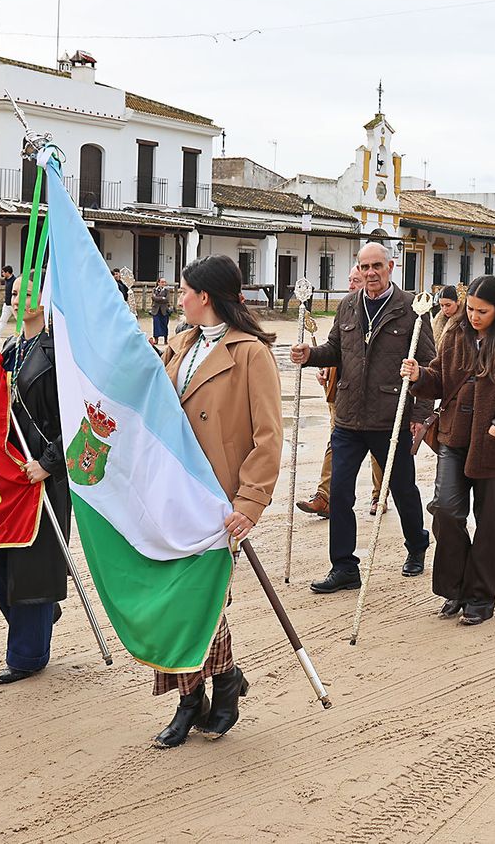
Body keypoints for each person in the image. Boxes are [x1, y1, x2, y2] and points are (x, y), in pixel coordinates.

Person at [154, 255, 282, 747]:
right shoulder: (181, 343)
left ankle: (195, 699)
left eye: (185, 291)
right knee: (180, 598)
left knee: (200, 599)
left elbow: (268, 437)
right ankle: (220, 682)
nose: (178, 298)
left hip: (217, 499)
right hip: (172, 493)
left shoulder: (251, 353)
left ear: (204, 296)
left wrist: (249, 502)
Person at [401, 276, 495, 624]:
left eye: (483, 311)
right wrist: (420, 375)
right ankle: (455, 588)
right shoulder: (454, 335)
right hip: (453, 439)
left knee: (489, 525)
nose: (475, 316)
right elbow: (440, 379)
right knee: (447, 512)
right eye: (471, 309)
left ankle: (480, 597)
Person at [291, 242, 434, 593]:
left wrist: (420, 414)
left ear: (391, 266)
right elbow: (335, 350)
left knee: (401, 489)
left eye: (377, 266)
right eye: (364, 267)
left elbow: (429, 366)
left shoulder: (411, 310)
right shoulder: (348, 306)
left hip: (390, 418)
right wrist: (310, 355)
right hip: (349, 417)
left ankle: (416, 545)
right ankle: (344, 566)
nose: (370, 273)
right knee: (340, 493)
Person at [0, 287, 72, 687]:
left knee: (32, 564)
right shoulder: (10, 348)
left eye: (29, 290)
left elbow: (83, 417)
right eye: (14, 291)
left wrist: (48, 464)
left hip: (42, 474)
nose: (19, 296)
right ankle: (41, 617)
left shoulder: (60, 352)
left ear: (45, 299)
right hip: (8, 472)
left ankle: (29, 655)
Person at [297, 266, 384, 518]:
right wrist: (322, 364)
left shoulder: (381, 312)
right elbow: (337, 348)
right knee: (336, 442)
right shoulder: (345, 309)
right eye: (350, 280)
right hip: (342, 391)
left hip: (374, 396)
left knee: (379, 447)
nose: (351, 285)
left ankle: (379, 495)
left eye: (355, 280)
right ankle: (325, 497)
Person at [150, 277, 172, 345]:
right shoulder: (154, 290)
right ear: (158, 282)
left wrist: (158, 298)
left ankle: (165, 339)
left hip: (164, 309)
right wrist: (162, 298)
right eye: (162, 282)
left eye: (164, 282)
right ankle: (156, 339)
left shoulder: (167, 290)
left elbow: (167, 299)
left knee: (164, 324)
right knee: (156, 324)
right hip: (156, 309)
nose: (163, 283)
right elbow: (153, 297)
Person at [0, 265, 17, 333]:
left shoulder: (15, 281)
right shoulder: (6, 280)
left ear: (7, 272)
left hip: (13, 304)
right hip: (6, 304)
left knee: (20, 320)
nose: (2, 274)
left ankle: (22, 334)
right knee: (2, 320)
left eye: (3, 272)